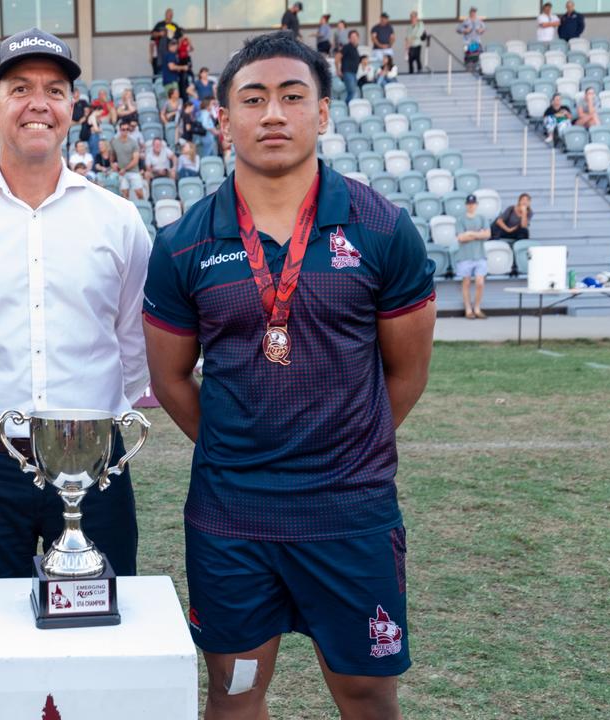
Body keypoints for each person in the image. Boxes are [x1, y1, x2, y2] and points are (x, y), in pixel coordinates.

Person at [142, 31, 435, 720]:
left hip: (350, 509)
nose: (273, 113)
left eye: (292, 96)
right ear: (225, 119)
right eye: (253, 99)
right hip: (231, 513)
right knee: (236, 690)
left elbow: (408, 370)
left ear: (324, 113)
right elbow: (173, 380)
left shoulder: (383, 229)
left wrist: (349, 445)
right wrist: (237, 447)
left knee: (366, 693)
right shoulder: (183, 242)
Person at [0, 29, 148, 717]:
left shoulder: (118, 221)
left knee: (101, 647)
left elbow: (135, 345)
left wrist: (91, 432)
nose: (37, 104)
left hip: (95, 474)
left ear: (75, 107)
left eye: (54, 90)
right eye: (20, 89)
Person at [454, 194, 491, 319]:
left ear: (476, 204)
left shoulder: (482, 218)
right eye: (469, 204)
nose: (471, 206)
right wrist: (478, 234)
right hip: (465, 256)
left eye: (473, 203)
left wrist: (470, 233)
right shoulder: (460, 219)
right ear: (466, 205)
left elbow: (487, 234)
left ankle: (477, 308)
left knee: (480, 282)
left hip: (480, 255)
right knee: (466, 283)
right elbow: (461, 238)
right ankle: (468, 310)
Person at [111, 123, 144, 199]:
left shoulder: (133, 142)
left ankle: (142, 208)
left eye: (127, 129)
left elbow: (135, 160)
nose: (125, 131)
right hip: (121, 172)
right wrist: (112, 164)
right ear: (120, 130)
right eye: (123, 129)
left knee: (139, 192)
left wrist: (124, 169)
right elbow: (112, 155)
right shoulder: (115, 142)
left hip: (133, 171)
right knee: (124, 195)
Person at [151, 8, 183, 77]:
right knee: (159, 74)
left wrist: (178, 50)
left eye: (171, 15)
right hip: (161, 55)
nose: (170, 16)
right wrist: (159, 34)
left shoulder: (175, 26)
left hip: (172, 55)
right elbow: (152, 36)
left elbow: (180, 38)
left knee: (172, 73)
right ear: (165, 15)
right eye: (169, 14)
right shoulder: (159, 24)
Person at [336, 30, 362, 100]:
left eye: (355, 37)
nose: (354, 38)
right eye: (352, 37)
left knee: (353, 92)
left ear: (358, 37)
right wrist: (338, 70)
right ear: (349, 39)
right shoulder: (347, 47)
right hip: (348, 73)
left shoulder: (355, 48)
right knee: (352, 92)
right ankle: (346, 107)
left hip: (353, 74)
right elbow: (337, 57)